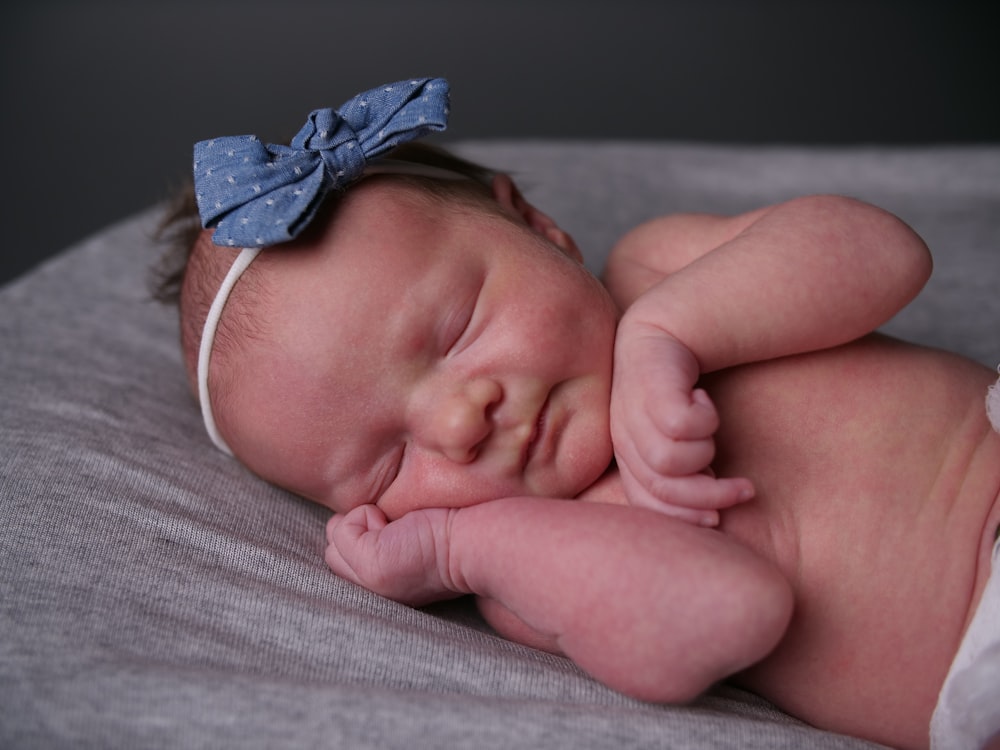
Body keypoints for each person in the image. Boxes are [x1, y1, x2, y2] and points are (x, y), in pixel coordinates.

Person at [155, 78, 1000, 750]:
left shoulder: (660, 272)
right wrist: (460, 549)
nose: (459, 423)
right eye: (389, 462)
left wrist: (672, 332)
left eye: (455, 332)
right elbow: (728, 612)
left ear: (536, 226)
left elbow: (885, 251)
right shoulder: (542, 564)